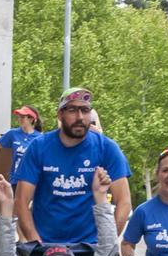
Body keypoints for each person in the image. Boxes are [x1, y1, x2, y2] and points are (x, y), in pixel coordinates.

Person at [14, 87, 132, 244]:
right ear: (60, 114)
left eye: (85, 110)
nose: (80, 117)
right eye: (72, 110)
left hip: (91, 247)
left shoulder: (107, 148)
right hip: (46, 246)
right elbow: (21, 201)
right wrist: (37, 245)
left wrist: (106, 244)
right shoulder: (38, 147)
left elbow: (124, 201)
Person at [0, 105, 43, 185]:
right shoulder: (12, 133)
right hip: (15, 180)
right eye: (19, 117)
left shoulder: (40, 138)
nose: (19, 119)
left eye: (23, 117)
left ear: (31, 119)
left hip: (33, 181)